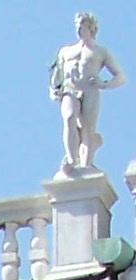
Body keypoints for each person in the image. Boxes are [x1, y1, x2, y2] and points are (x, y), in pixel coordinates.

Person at [49, 13, 125, 175]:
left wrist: (104, 84)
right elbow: (57, 73)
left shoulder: (100, 52)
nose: (78, 28)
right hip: (70, 89)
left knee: (87, 129)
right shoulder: (66, 51)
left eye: (82, 25)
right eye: (76, 25)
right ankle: (71, 159)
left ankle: (86, 164)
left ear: (90, 28)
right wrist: (54, 89)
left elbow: (121, 77)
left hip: (90, 90)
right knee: (69, 118)